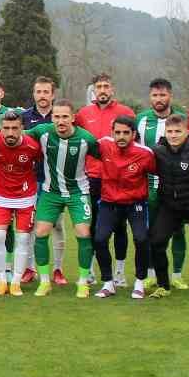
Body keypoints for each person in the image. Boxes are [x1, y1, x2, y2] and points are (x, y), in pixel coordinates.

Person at [29, 101, 100, 297]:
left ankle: (83, 281)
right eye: (57, 117)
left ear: (73, 117)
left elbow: (106, 156)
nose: (60, 121)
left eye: (64, 117)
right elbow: (17, 136)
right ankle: (44, 282)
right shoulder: (42, 132)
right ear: (52, 118)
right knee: (41, 232)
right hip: (51, 192)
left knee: (83, 232)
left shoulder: (86, 139)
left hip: (78, 192)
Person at [147, 115, 189, 302]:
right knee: (156, 242)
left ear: (187, 131)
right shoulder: (159, 151)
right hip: (170, 206)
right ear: (165, 132)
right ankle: (163, 285)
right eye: (169, 131)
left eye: (178, 131)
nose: (173, 135)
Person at [74, 73, 133, 287]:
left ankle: (119, 273)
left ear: (112, 89)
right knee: (90, 226)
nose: (102, 90)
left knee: (119, 227)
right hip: (90, 179)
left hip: (117, 179)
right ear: (93, 90)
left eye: (106, 86)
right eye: (98, 86)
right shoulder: (83, 114)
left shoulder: (125, 112)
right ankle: (89, 271)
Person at [86, 116, 155, 299]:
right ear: (112, 132)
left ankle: (139, 282)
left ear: (133, 134)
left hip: (135, 204)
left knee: (141, 239)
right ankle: (108, 283)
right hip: (109, 202)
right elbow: (82, 140)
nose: (121, 136)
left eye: (126, 132)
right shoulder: (103, 146)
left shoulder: (145, 153)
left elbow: (158, 172)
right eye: (117, 132)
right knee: (100, 239)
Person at [134, 78, 188, 290]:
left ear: (170, 96)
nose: (159, 99)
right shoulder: (140, 119)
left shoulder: (181, 119)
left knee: (178, 230)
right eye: (155, 95)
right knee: (149, 231)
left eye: (163, 95)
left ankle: (177, 274)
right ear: (150, 97)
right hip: (147, 185)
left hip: (174, 184)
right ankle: (151, 274)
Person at [0, 111, 42, 295]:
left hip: (26, 197)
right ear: (0, 128)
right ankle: (1, 280)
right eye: (6, 128)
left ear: (22, 128)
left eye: (14, 128)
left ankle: (16, 281)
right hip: (1, 196)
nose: (10, 133)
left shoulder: (33, 146)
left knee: (23, 239)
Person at [23, 76, 66, 282]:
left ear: (53, 94)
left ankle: (58, 270)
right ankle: (30, 268)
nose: (42, 96)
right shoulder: (24, 117)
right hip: (31, 179)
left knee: (56, 224)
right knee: (31, 224)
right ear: (34, 94)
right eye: (38, 92)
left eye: (46, 92)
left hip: (55, 181)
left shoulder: (60, 116)